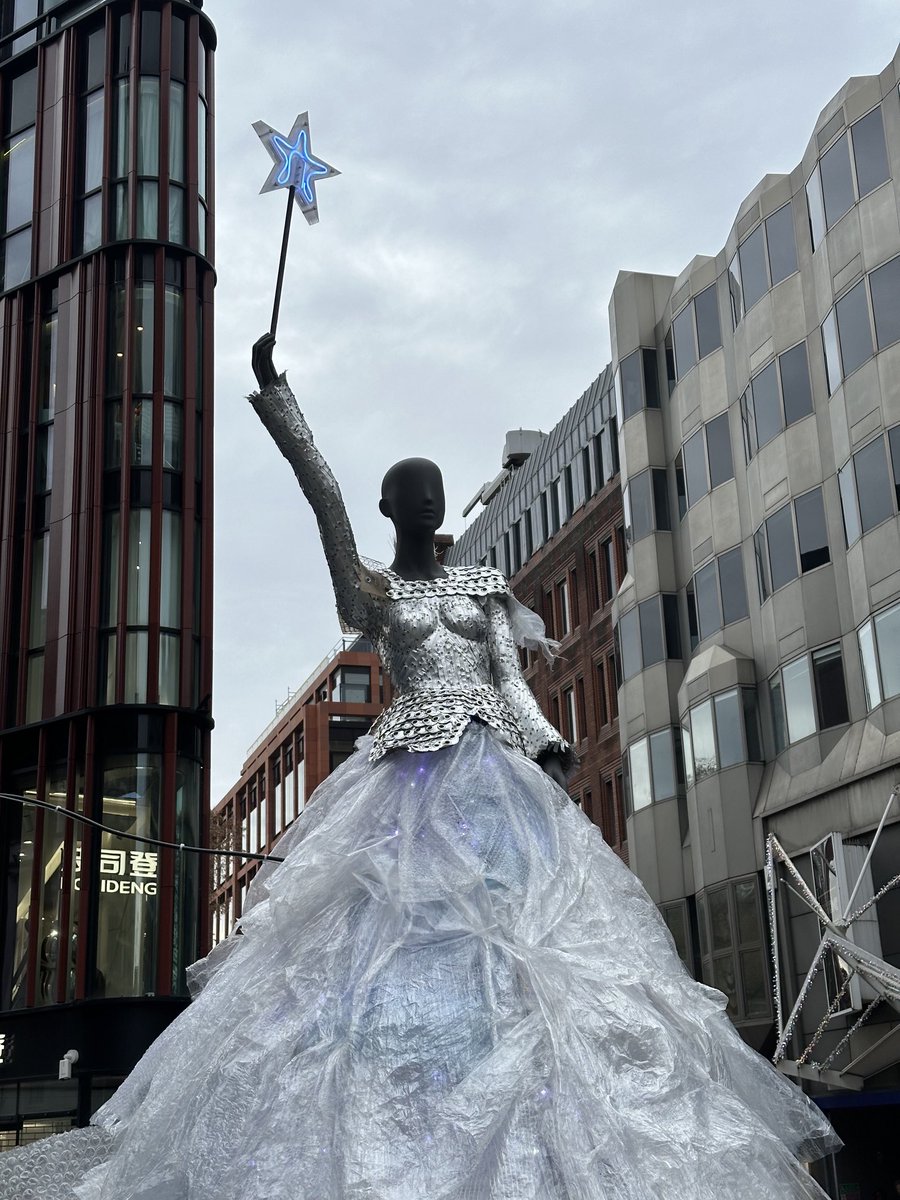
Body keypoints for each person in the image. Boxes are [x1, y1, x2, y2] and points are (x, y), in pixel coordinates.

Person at [0, 337, 841, 1199]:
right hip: (406, 780)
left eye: (434, 487)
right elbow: (327, 506)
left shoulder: (479, 583)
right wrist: (280, 401)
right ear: (391, 507)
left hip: (494, 778)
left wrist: (545, 742)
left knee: (536, 953)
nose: (428, 496)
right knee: (378, 942)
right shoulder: (373, 593)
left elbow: (509, 677)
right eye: (411, 489)